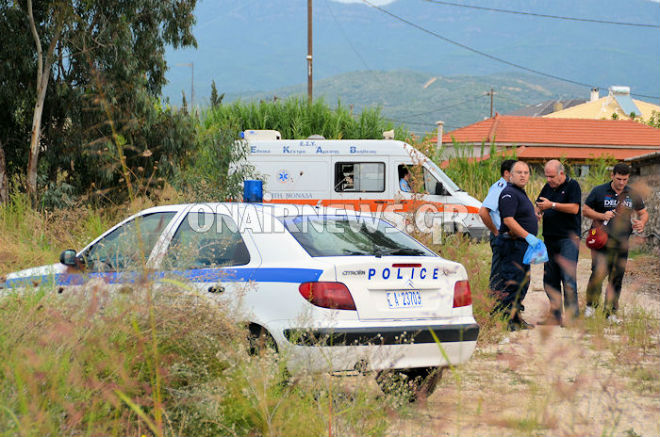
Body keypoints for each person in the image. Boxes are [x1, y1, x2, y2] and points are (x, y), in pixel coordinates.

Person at [583, 163, 648, 323]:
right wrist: (601, 215)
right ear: (612, 176)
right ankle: (591, 307)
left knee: (616, 277)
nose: (621, 182)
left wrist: (642, 222)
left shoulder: (632, 193)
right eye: (619, 179)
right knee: (597, 274)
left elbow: (643, 213)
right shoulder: (599, 191)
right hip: (601, 241)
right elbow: (585, 210)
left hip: (622, 243)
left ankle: (611, 313)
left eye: (625, 179)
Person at [535, 160, 581, 325]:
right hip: (549, 238)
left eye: (552, 176)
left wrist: (552, 205)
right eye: (546, 176)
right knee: (550, 279)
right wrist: (538, 211)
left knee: (568, 279)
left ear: (561, 173)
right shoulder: (548, 187)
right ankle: (555, 316)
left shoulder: (572, 186)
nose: (549, 179)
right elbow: (539, 204)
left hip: (568, 239)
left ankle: (572, 318)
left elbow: (574, 208)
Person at [494, 160, 539, 331]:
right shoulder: (509, 193)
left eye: (526, 173)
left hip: (522, 245)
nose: (523, 175)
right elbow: (508, 220)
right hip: (513, 244)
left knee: (522, 282)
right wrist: (528, 236)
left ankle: (516, 318)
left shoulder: (520, 192)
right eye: (519, 172)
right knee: (512, 282)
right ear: (510, 175)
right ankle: (507, 320)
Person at [479, 159, 517, 291]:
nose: (521, 175)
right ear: (507, 173)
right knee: (498, 276)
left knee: (509, 274)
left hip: (512, 237)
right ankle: (494, 302)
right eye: (517, 172)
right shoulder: (500, 187)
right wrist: (496, 231)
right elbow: (483, 212)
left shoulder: (511, 188)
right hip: (502, 236)